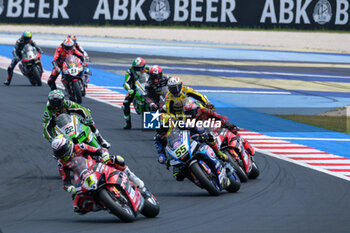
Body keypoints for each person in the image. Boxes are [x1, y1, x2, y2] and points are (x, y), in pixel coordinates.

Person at [51, 134, 145, 214]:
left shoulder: (80, 147)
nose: (61, 154)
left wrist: (104, 155)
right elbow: (66, 181)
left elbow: (99, 150)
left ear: (68, 145)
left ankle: (133, 178)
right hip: (83, 179)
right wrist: (71, 188)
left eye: (62, 150)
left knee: (117, 159)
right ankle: (106, 205)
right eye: (58, 153)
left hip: (96, 166)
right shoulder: (61, 163)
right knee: (78, 207)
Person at [154, 114, 228, 181]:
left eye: (162, 127)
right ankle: (196, 177)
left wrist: (201, 132)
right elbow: (160, 151)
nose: (160, 130)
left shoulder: (178, 124)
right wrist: (163, 159)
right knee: (178, 176)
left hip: (191, 142)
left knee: (209, 138)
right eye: (158, 128)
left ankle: (218, 152)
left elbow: (193, 126)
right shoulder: (159, 138)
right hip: (177, 155)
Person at [42, 89, 110, 148]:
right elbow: (45, 128)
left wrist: (87, 118)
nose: (56, 105)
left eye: (58, 102)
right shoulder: (47, 112)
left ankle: (100, 138)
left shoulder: (67, 103)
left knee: (89, 121)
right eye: (53, 103)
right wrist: (52, 139)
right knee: (56, 144)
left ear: (62, 100)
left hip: (68, 122)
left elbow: (82, 109)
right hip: (57, 127)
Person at [183, 101, 255, 156]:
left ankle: (245, 143)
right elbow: (189, 135)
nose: (191, 115)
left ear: (197, 109)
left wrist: (225, 123)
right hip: (206, 136)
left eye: (192, 112)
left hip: (214, 127)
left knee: (232, 128)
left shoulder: (204, 111)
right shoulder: (187, 121)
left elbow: (217, 116)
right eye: (188, 113)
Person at [122, 57, 149, 129]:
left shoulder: (147, 70)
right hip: (134, 88)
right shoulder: (130, 71)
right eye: (136, 68)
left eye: (139, 68)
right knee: (125, 104)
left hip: (146, 88)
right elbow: (126, 83)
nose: (137, 70)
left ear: (143, 67)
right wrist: (129, 89)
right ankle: (127, 123)